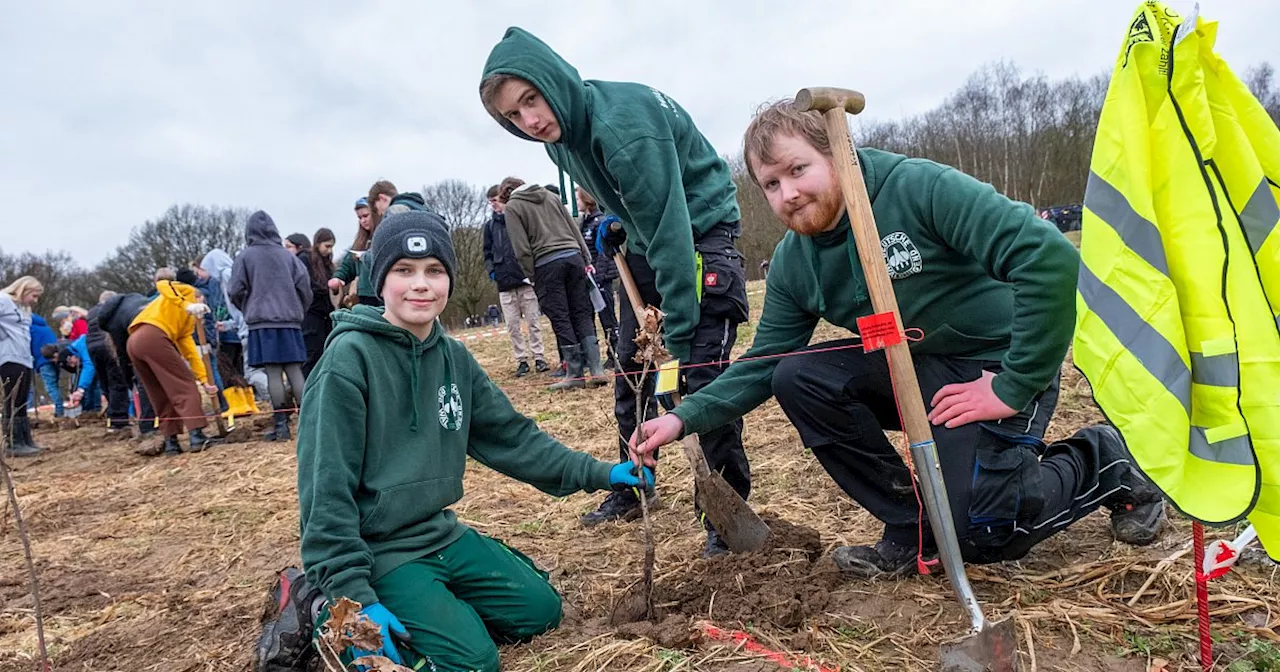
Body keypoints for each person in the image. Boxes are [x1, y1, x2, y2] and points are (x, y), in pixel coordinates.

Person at [630, 99, 1166, 575]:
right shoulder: (796, 261)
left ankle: (1103, 459)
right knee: (800, 374)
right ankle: (914, 528)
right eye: (771, 183)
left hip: (997, 365)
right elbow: (768, 360)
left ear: (836, 155)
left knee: (987, 535)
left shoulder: (918, 189)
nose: (788, 194)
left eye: (798, 170)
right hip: (918, 369)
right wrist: (682, 417)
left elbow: (1048, 259)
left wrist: (1012, 384)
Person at [254, 210, 652, 672]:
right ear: (379, 281)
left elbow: (514, 439)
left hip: (440, 533)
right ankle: (326, 609)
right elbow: (326, 496)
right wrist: (354, 594)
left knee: (541, 613)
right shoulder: (347, 362)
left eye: (434, 271)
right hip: (378, 551)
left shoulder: (454, 358)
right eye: (404, 271)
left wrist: (600, 472)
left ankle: (434, 603)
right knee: (474, 662)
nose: (420, 284)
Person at [481, 28, 751, 553]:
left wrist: (678, 322)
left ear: (552, 79)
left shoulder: (622, 127)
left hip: (699, 236)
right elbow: (643, 207)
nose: (530, 120)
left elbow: (673, 226)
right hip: (649, 243)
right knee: (633, 375)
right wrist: (618, 219)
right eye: (514, 115)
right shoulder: (562, 142)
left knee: (695, 378)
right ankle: (632, 486)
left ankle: (727, 514)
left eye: (531, 100)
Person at [498, 177, 606, 390]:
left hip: (546, 264)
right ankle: (596, 369)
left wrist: (531, 274)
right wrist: (585, 257)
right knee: (582, 312)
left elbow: (521, 248)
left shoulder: (513, 207)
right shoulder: (551, 196)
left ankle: (575, 373)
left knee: (560, 316)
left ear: (507, 194)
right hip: (574, 257)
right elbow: (573, 227)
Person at [228, 211, 312, 442]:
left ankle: (281, 426)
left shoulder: (245, 257)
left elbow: (235, 290)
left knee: (273, 372)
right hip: (290, 321)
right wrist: (297, 310)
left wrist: (248, 307)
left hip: (262, 323)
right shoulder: (288, 257)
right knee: (295, 370)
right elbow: (305, 288)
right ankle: (310, 425)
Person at [126, 278, 219, 455]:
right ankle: (197, 436)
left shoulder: (184, 325)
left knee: (159, 392)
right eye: (202, 303)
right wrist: (187, 303)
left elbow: (191, 354)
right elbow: (162, 284)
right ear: (199, 298)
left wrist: (205, 381)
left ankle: (171, 442)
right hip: (153, 335)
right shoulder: (187, 292)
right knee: (185, 386)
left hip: (134, 343)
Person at [483, 184, 549, 377]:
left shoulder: (519, 220)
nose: (493, 205)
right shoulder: (489, 227)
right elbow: (486, 252)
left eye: (495, 200)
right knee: (512, 326)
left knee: (533, 322)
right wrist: (492, 271)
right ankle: (522, 360)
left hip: (525, 281)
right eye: (490, 203)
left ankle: (539, 357)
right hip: (504, 284)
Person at [576, 187, 620, 369]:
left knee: (608, 318)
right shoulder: (584, 222)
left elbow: (603, 253)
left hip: (601, 278)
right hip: (591, 278)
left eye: (578, 198)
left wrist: (599, 276)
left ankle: (615, 354)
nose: (576, 202)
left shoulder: (598, 222)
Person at [2, 276, 44, 457]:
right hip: (9, 356)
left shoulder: (23, 308)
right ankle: (13, 442)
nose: (35, 301)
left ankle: (25, 439)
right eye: (33, 296)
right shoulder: (3, 301)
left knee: (22, 399)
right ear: (23, 290)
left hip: (24, 357)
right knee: (13, 398)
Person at [84, 290, 135, 432]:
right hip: (108, 346)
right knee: (117, 382)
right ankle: (119, 420)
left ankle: (112, 415)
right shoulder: (113, 310)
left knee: (104, 382)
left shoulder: (91, 312)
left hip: (92, 348)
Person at [330, 197, 383, 308]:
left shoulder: (385, 236)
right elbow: (347, 265)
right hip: (363, 297)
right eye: (359, 218)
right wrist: (338, 278)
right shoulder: (360, 242)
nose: (362, 221)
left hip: (382, 295)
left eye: (365, 216)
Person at [300, 228, 337, 377]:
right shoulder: (305, 259)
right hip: (311, 315)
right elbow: (305, 284)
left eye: (332, 247)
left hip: (326, 316)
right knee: (311, 356)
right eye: (327, 246)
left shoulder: (327, 264)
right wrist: (326, 289)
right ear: (318, 243)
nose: (329, 251)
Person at [45, 335, 99, 415]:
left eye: (71, 361)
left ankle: (93, 410)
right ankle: (90, 410)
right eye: (70, 364)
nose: (73, 365)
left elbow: (89, 366)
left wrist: (81, 389)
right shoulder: (75, 350)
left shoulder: (82, 347)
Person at [29, 310, 62, 418]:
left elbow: (30, 347)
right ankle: (60, 409)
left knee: (51, 387)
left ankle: (59, 410)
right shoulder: (45, 327)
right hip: (55, 357)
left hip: (43, 360)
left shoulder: (30, 329)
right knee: (55, 385)